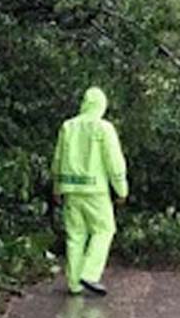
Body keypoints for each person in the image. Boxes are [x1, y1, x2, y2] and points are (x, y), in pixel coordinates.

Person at [52, 87, 128, 296]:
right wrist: (121, 190)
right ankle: (90, 274)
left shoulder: (68, 126)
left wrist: (57, 188)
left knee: (75, 235)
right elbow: (114, 162)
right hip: (96, 191)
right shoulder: (104, 128)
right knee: (104, 230)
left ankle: (74, 283)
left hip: (70, 189)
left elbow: (57, 159)